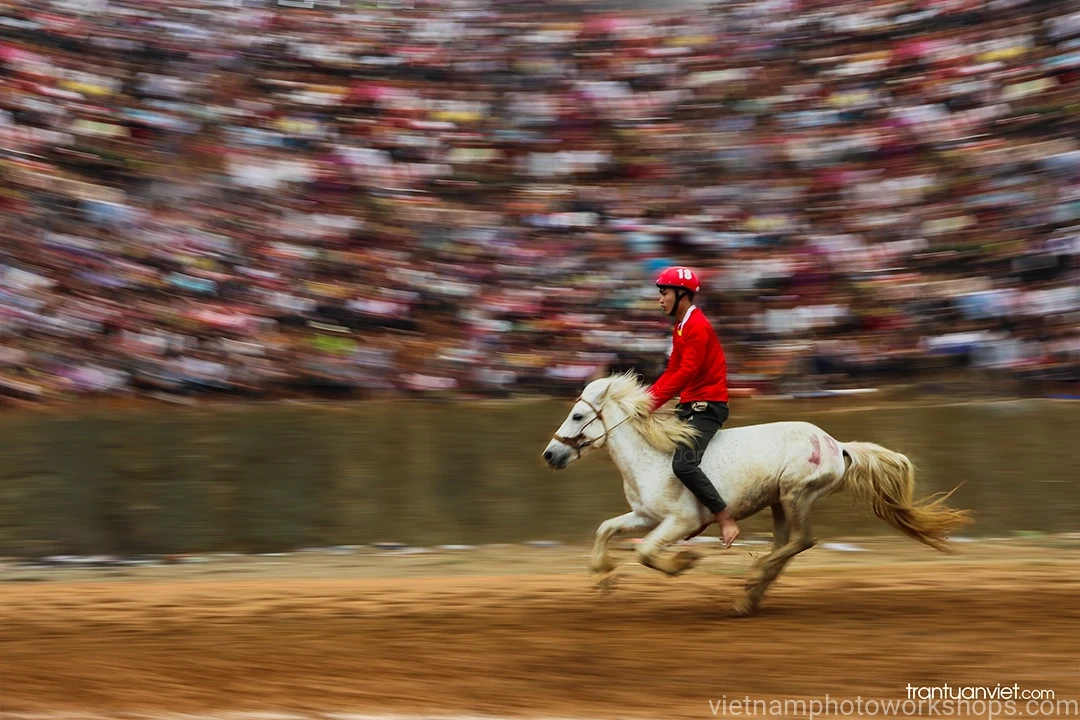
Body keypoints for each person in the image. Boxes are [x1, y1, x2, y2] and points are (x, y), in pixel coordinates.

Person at [646, 266, 740, 548]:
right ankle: (685, 519)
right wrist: (644, 401)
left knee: (684, 466)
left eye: (664, 293)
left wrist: (651, 403)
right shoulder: (680, 327)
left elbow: (685, 373)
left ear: (682, 295)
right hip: (689, 405)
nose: (660, 299)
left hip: (708, 407)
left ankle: (725, 518)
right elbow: (672, 370)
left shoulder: (697, 327)